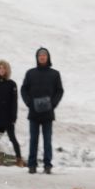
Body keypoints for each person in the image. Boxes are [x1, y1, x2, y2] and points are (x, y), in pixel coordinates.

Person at [20, 47, 62, 175]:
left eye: (44, 55)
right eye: (40, 55)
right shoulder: (30, 73)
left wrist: (52, 104)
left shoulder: (54, 74)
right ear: (37, 58)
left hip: (48, 113)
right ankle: (32, 165)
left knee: (47, 140)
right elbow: (24, 89)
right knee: (33, 139)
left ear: (48, 57)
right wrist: (29, 103)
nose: (42, 57)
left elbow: (59, 90)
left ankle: (47, 165)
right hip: (34, 112)